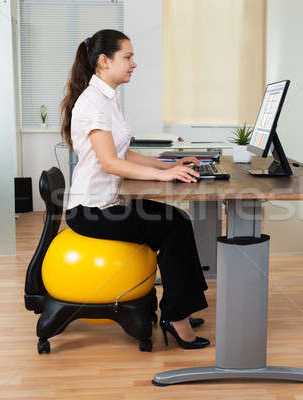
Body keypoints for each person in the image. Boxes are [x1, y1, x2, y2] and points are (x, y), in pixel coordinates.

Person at [60, 29, 209, 349]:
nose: (134, 63)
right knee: (172, 226)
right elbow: (112, 163)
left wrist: (167, 166)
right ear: (104, 61)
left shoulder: (107, 98)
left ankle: (182, 308)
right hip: (90, 212)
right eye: (127, 57)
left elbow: (124, 153)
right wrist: (162, 178)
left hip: (104, 204)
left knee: (178, 221)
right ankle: (176, 317)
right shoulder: (93, 103)